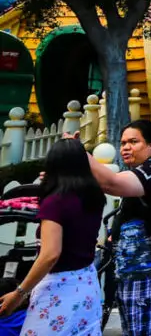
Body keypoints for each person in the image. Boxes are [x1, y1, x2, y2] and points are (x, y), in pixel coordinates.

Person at [86, 120, 151, 336]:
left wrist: (80, 154)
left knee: (142, 330)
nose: (125, 147)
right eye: (123, 143)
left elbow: (111, 183)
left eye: (134, 142)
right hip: (141, 266)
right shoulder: (143, 171)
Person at [0, 138, 104, 335]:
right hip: (87, 285)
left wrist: (19, 293)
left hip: (58, 290)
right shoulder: (94, 197)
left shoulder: (55, 203)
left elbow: (50, 255)